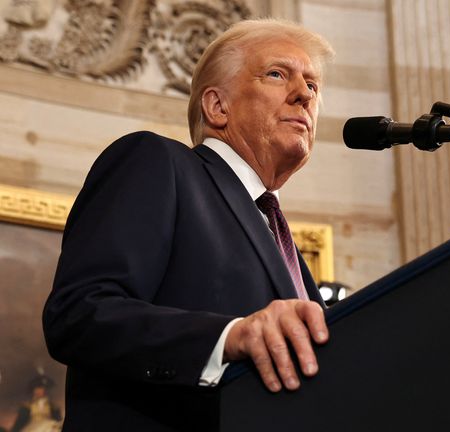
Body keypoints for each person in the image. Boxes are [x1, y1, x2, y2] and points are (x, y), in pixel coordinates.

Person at [42, 18, 335, 430]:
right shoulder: (158, 164)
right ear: (217, 107)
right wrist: (228, 337)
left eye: (313, 85)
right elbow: (79, 314)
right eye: (277, 74)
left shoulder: (282, 240)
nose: (304, 94)